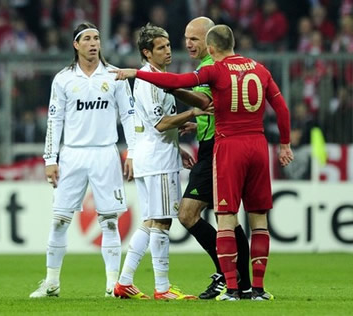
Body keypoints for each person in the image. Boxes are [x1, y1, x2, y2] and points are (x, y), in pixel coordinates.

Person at [111, 24, 294, 301]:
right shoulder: (259, 68)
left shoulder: (213, 69)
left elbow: (179, 84)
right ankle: (255, 288)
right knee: (258, 221)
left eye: (191, 40)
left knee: (223, 218)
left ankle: (231, 285)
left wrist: (137, 74)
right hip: (257, 145)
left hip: (226, 146)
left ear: (211, 47)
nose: (182, 46)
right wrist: (285, 143)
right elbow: (281, 107)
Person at [30, 22, 135, 298]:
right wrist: (50, 158)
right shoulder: (63, 79)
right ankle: (51, 282)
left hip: (105, 153)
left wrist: (132, 152)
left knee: (109, 221)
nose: (93, 43)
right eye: (87, 38)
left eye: (97, 38)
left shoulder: (115, 76)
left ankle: (113, 285)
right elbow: (55, 121)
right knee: (59, 220)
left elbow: (129, 116)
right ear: (76, 45)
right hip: (73, 154)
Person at [112, 23, 210, 300]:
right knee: (163, 222)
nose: (168, 50)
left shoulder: (157, 77)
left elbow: (153, 125)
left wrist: (178, 148)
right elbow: (159, 123)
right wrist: (192, 112)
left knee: (150, 221)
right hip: (158, 160)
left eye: (168, 45)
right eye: (161, 47)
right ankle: (163, 288)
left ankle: (124, 282)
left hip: (154, 155)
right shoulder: (149, 81)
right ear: (147, 52)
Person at [169, 16, 252, 300]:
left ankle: (225, 273)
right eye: (186, 37)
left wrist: (172, 88)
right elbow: (217, 108)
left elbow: (204, 102)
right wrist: (198, 124)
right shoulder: (215, 66)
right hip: (213, 143)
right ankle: (243, 282)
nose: (188, 43)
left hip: (216, 149)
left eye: (195, 38)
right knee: (228, 217)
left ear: (210, 40)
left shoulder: (211, 67)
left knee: (188, 213)